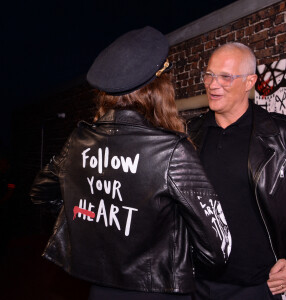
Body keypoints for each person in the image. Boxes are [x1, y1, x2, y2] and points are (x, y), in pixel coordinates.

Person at [30, 26, 231, 300]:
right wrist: (167, 247)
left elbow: (40, 193)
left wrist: (90, 219)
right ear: (159, 88)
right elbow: (219, 247)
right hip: (158, 290)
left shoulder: (78, 140)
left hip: (100, 290)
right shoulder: (172, 150)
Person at [188, 42, 286, 300]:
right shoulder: (188, 136)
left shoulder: (283, 135)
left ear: (249, 81)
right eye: (209, 75)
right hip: (196, 285)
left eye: (226, 77)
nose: (213, 85)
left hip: (258, 287)